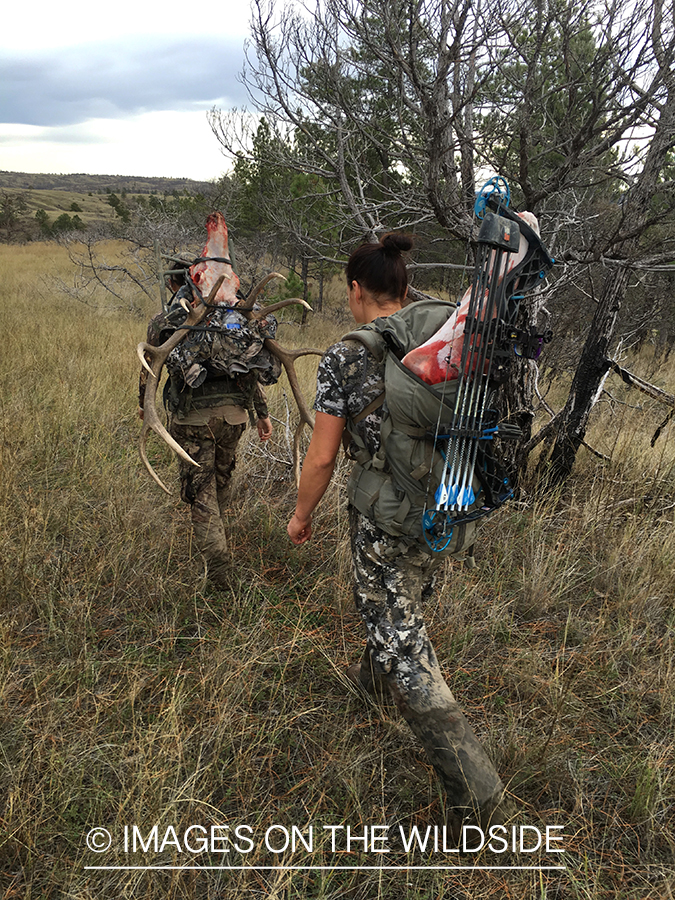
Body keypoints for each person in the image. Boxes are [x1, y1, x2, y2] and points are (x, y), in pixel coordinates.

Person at [287, 233, 509, 834]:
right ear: (406, 287)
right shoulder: (444, 330)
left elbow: (322, 457)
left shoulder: (345, 356)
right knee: (396, 607)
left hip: (386, 518)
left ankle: (478, 792)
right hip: (449, 504)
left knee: (405, 645)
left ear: (356, 289)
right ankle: (372, 688)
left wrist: (302, 514)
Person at [139, 276, 278, 589]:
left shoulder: (166, 320)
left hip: (193, 420)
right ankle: (214, 534)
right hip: (235, 417)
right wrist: (262, 413)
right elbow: (250, 368)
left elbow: (149, 368)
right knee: (220, 481)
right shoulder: (239, 316)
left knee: (200, 493)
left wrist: (142, 405)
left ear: (177, 283)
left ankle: (218, 575)